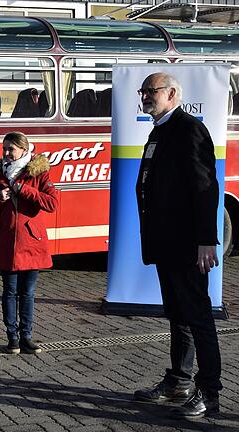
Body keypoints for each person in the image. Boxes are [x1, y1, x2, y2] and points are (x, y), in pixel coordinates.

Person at [133, 72, 222, 419]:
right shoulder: (159, 129)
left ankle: (210, 392)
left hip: (187, 245)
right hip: (165, 243)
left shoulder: (189, 129)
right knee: (177, 315)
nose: (145, 97)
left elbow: (206, 188)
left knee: (198, 317)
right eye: (143, 92)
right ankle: (178, 381)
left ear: (171, 94)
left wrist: (206, 240)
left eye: (150, 91)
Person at [0, 132, 57, 355]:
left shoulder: (38, 172)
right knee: (9, 291)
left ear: (24, 150)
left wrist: (23, 190)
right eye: (4, 149)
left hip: (31, 241)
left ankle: (26, 336)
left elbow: (51, 203)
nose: (6, 154)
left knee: (28, 292)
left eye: (11, 149)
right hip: (7, 241)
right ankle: (12, 338)